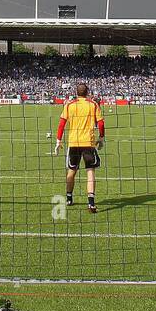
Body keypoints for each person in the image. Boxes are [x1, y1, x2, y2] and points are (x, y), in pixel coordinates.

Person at [53, 82, 105, 214]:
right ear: (87, 92)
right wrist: (101, 138)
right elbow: (101, 123)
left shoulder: (69, 105)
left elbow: (61, 124)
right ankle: (91, 202)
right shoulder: (93, 105)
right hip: (88, 143)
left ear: (76, 93)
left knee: (71, 171)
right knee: (90, 172)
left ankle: (69, 198)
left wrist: (58, 141)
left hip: (74, 143)